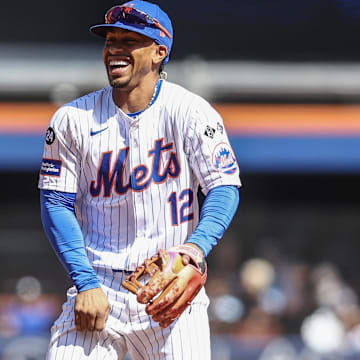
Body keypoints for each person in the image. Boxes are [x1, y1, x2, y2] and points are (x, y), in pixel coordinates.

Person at [39, 1, 241, 359]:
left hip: (171, 284)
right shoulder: (72, 119)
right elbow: (55, 202)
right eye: (110, 40)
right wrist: (84, 282)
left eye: (129, 41)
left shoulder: (191, 112)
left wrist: (195, 250)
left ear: (159, 52)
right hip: (99, 283)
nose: (115, 49)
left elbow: (223, 187)